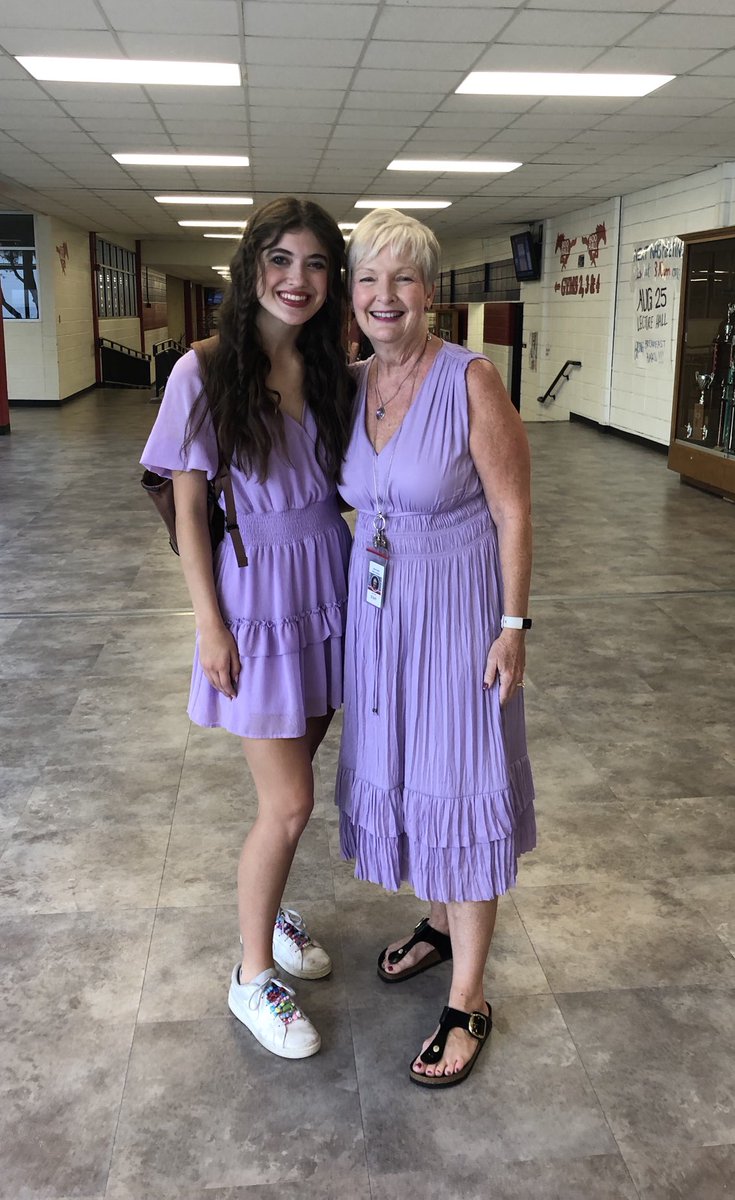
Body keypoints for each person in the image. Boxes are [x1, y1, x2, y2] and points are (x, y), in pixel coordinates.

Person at [141, 197, 354, 1060]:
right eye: (279, 260)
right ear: (250, 267)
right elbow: (189, 509)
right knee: (289, 799)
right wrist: (208, 622)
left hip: (327, 579)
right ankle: (248, 972)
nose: (296, 280)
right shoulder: (200, 371)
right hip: (256, 590)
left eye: (313, 264)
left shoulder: (332, 364)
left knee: (296, 789)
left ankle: (272, 910)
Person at [336, 209, 536, 1089]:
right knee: (412, 767)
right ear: (352, 296)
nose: (385, 297)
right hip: (381, 613)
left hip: (456, 611)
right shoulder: (352, 383)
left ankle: (469, 996)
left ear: (431, 292)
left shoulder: (470, 379)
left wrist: (513, 626)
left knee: (459, 779)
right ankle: (439, 918)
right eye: (368, 280)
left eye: (403, 280)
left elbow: (513, 510)